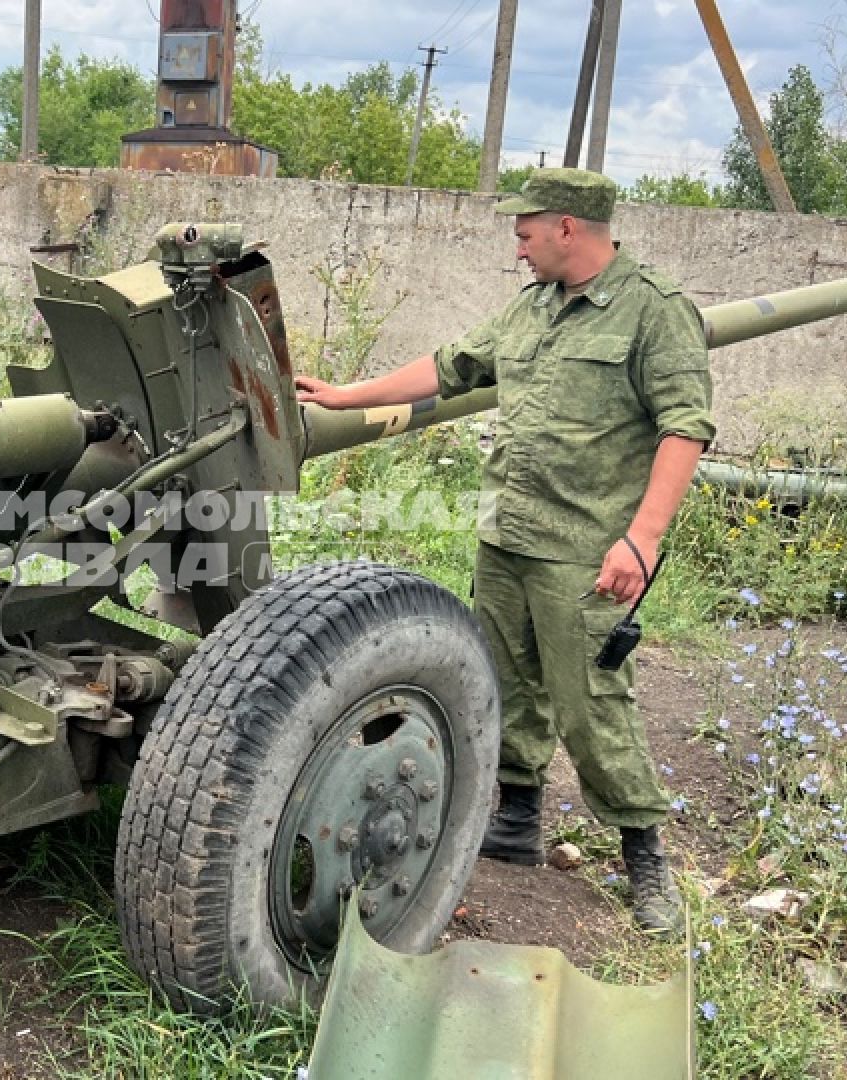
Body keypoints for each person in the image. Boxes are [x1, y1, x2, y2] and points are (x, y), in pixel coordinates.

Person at [293, 167, 714, 934]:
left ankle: (644, 855)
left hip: (584, 549)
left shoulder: (655, 312)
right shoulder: (532, 309)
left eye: (525, 232)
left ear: (566, 227)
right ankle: (517, 819)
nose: (516, 248)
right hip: (508, 535)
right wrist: (347, 395)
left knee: (590, 703)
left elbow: (685, 426)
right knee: (507, 683)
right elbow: (450, 368)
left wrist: (641, 539)